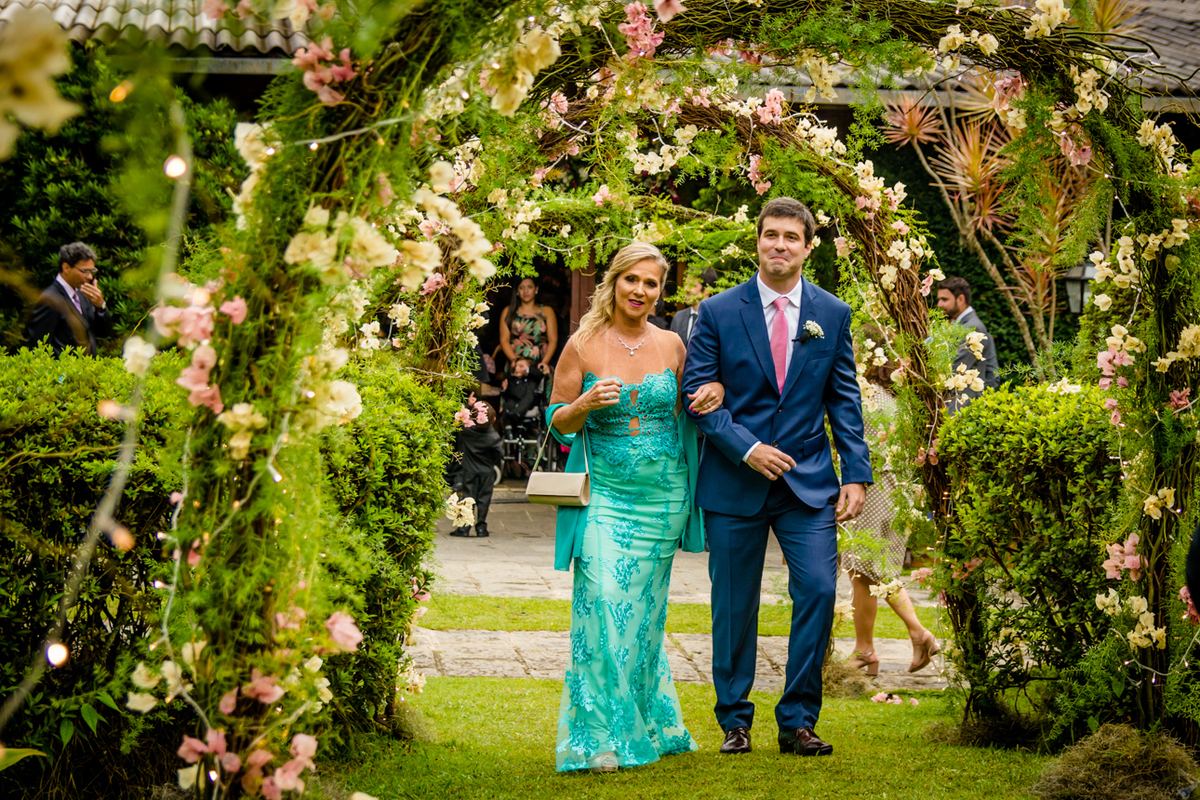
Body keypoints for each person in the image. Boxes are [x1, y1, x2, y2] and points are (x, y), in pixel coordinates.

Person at [681, 196, 873, 758]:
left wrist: (856, 474)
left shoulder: (831, 315)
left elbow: (845, 399)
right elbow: (700, 397)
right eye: (771, 235)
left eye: (791, 237)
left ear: (808, 246)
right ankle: (734, 721)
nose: (779, 245)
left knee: (816, 589)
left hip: (809, 482)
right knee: (734, 604)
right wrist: (748, 448)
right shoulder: (716, 312)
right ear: (757, 241)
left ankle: (797, 721)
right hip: (735, 482)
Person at [545, 242, 725, 774]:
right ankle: (597, 736)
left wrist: (711, 391)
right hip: (605, 497)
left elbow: (687, 408)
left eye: (651, 283)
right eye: (632, 280)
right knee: (600, 606)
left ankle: (644, 720)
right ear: (614, 282)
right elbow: (557, 419)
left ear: (659, 291)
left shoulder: (673, 345)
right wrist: (582, 405)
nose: (640, 291)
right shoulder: (582, 343)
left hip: (665, 498)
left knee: (644, 621)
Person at [841, 325, 939, 676]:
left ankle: (917, 631)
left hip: (875, 486)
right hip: (899, 490)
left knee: (869, 566)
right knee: (864, 570)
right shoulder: (896, 396)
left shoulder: (865, 394)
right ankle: (865, 650)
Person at [25, 242, 113, 357]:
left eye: (92, 271)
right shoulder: (50, 299)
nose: (90, 277)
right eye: (84, 271)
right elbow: (37, 348)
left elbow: (103, 333)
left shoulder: (83, 294)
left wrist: (100, 306)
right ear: (66, 268)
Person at [935, 276, 999, 412]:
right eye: (939, 299)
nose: (939, 304)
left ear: (961, 299)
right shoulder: (961, 324)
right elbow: (992, 372)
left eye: (944, 299)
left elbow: (951, 371)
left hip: (959, 408)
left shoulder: (971, 328)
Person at [451, 400, 503, 538]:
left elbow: (461, 423)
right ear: (493, 419)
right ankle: (481, 528)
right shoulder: (494, 437)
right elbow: (499, 454)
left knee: (468, 498)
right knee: (484, 500)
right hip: (487, 472)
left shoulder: (467, 432)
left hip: (470, 470)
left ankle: (464, 528)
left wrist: (468, 406)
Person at [500, 277, 558, 375]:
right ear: (517, 291)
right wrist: (515, 361)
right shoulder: (508, 311)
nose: (525, 291)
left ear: (536, 289)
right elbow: (504, 340)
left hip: (540, 361)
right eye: (521, 287)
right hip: (516, 362)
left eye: (529, 287)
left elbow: (553, 339)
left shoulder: (547, 311)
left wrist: (545, 362)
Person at [669, 267, 719, 347]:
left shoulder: (717, 318)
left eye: (692, 285)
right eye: (685, 284)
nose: (686, 289)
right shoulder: (678, 317)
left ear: (707, 289)